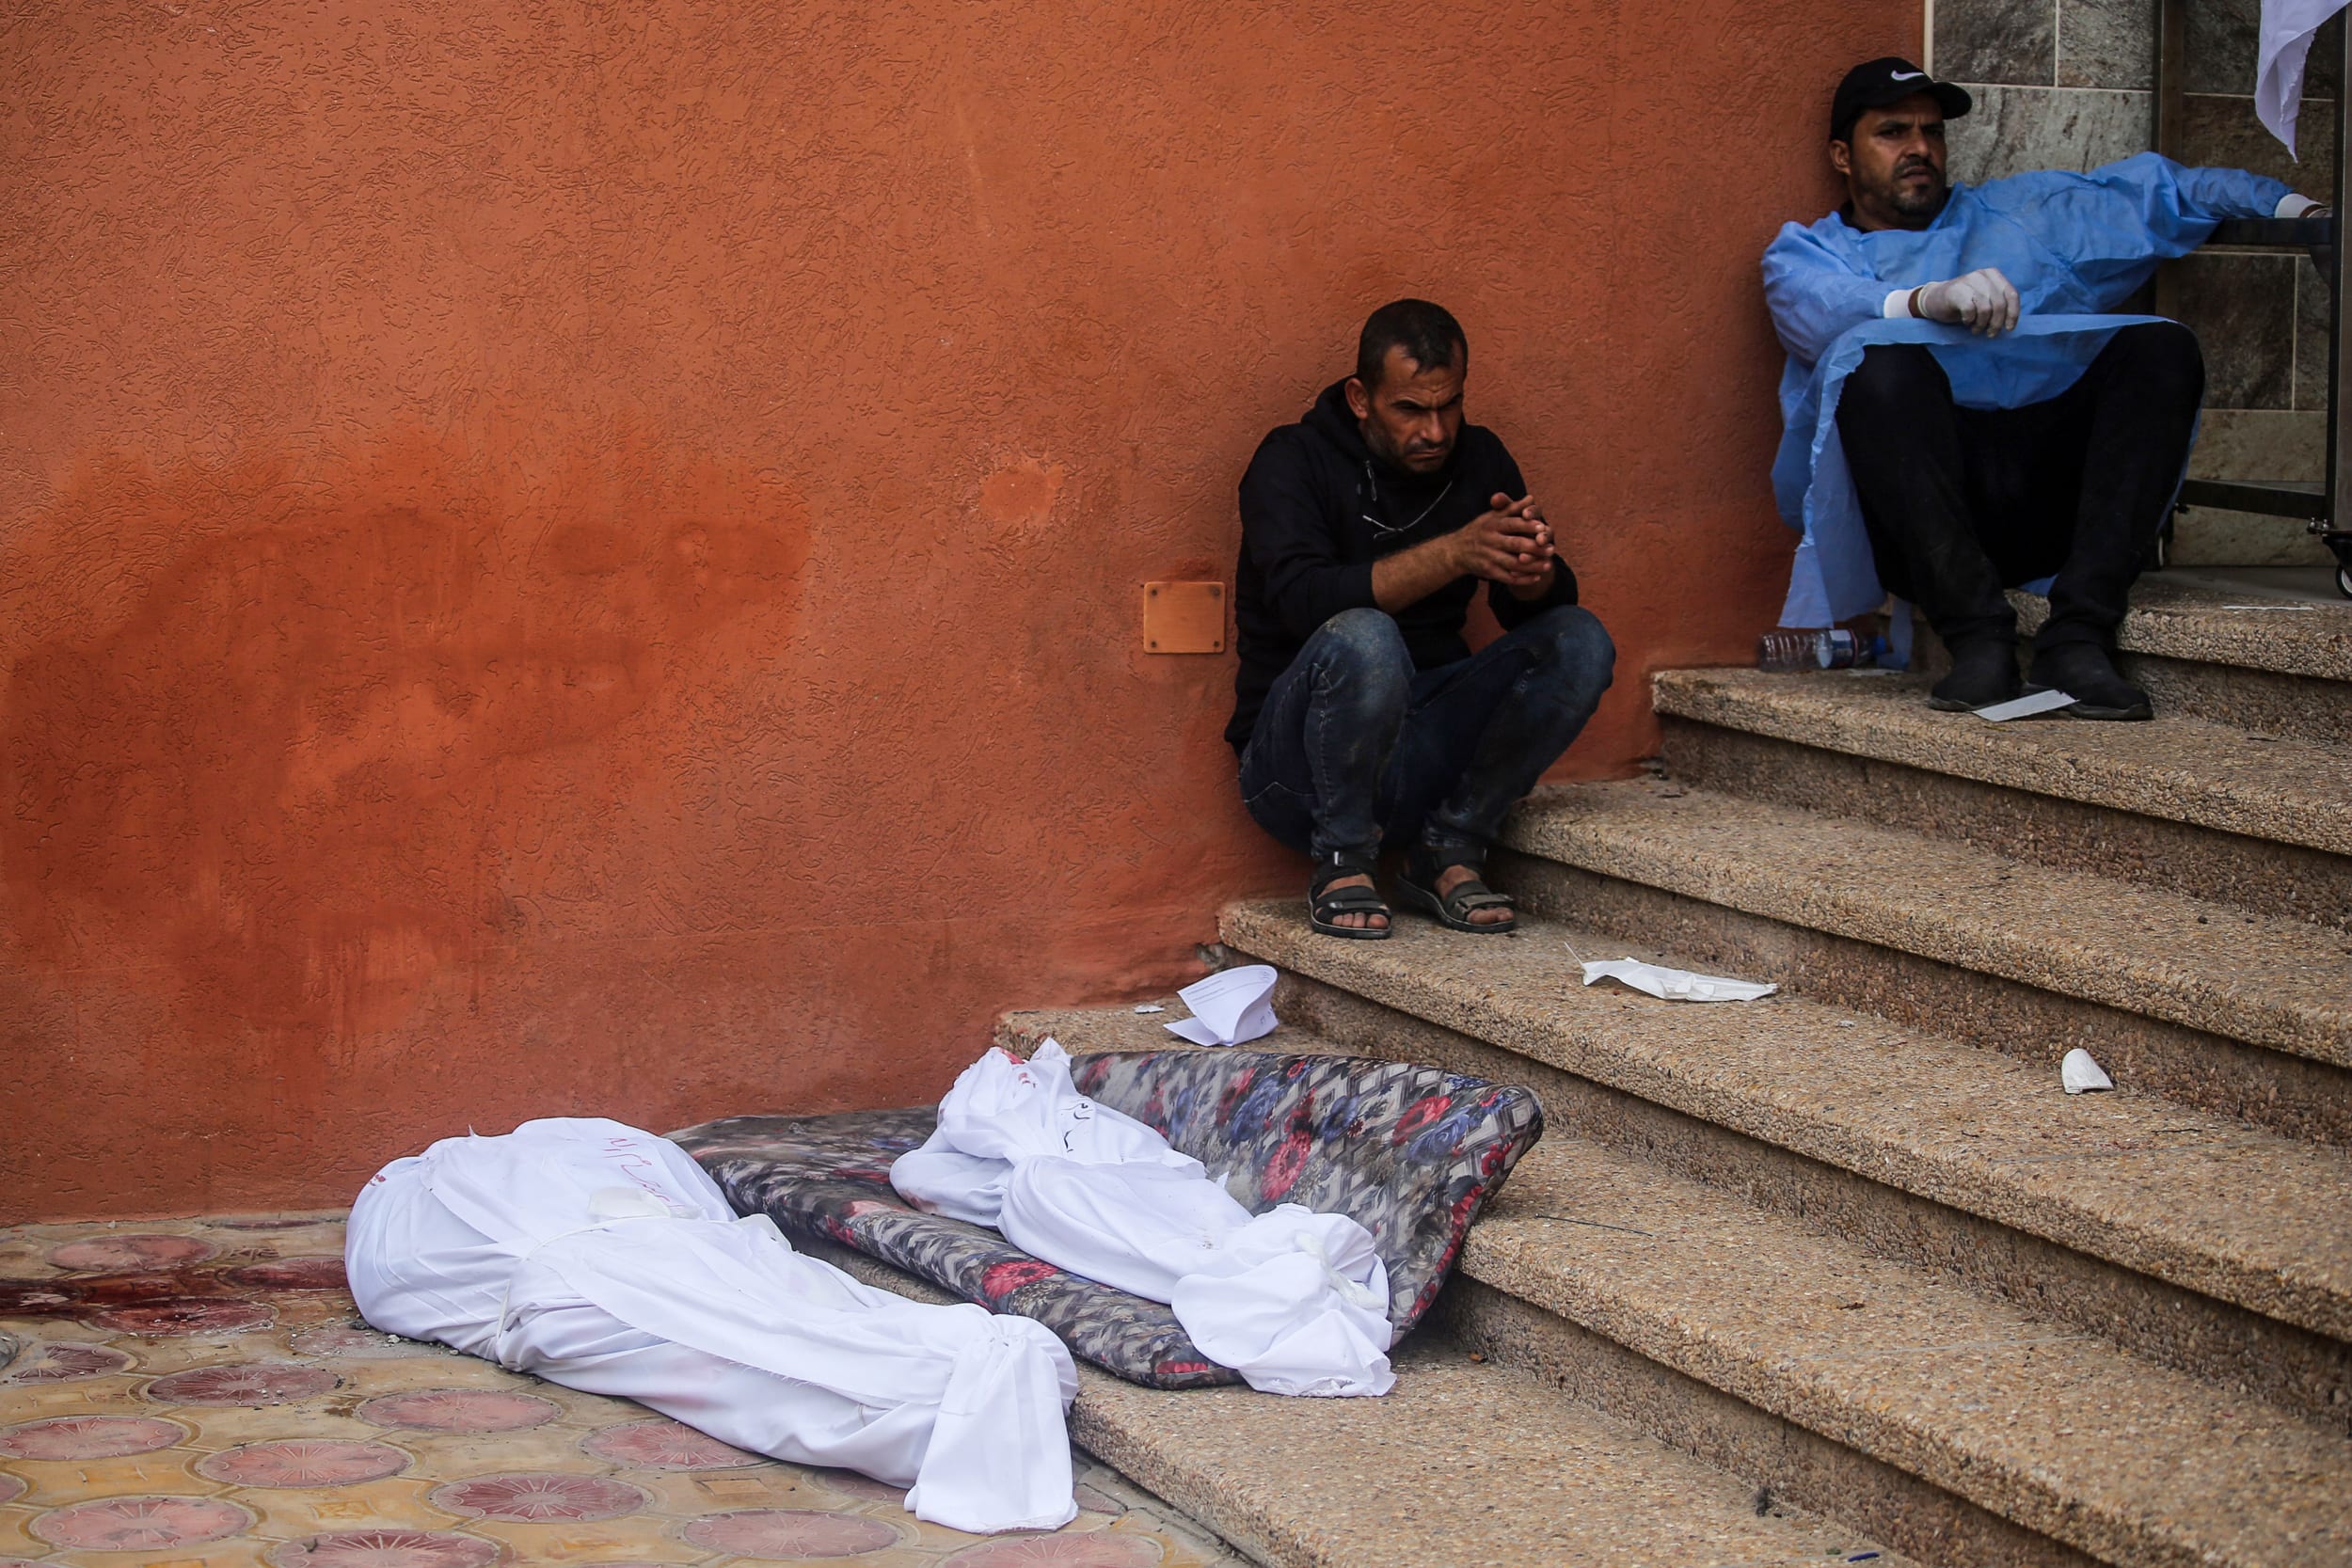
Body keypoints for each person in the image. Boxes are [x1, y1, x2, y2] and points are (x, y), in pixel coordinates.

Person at [1762, 57, 2325, 719]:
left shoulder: (2017, 215)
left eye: (1932, 132)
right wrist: (1922, 301)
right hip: (1921, 530)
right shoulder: (1807, 252)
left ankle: (2080, 636)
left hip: (2043, 502)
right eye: (1893, 132)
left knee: (2161, 346)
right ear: (1842, 155)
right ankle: (1977, 642)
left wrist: (2302, 211)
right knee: (1878, 363)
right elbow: (1818, 310)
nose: (1920, 148)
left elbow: (2167, 191)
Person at [345, 1117, 1080, 1535]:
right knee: (719, 1338)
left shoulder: (586, 1146)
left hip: (683, 1244)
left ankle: (930, 1378)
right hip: (589, 1265)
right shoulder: (437, 1198)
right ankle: (924, 1385)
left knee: (777, 1307)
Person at [1229, 299, 1614, 938]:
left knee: (1580, 639)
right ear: (1360, 398)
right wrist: (1456, 550)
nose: (1435, 431)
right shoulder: (1291, 460)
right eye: (1410, 409)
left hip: (1424, 745)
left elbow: (1540, 611)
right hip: (1297, 769)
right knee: (1364, 634)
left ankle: (1451, 843)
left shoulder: (1479, 456)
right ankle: (1342, 857)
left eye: (1449, 405)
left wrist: (1532, 571)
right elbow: (1304, 601)